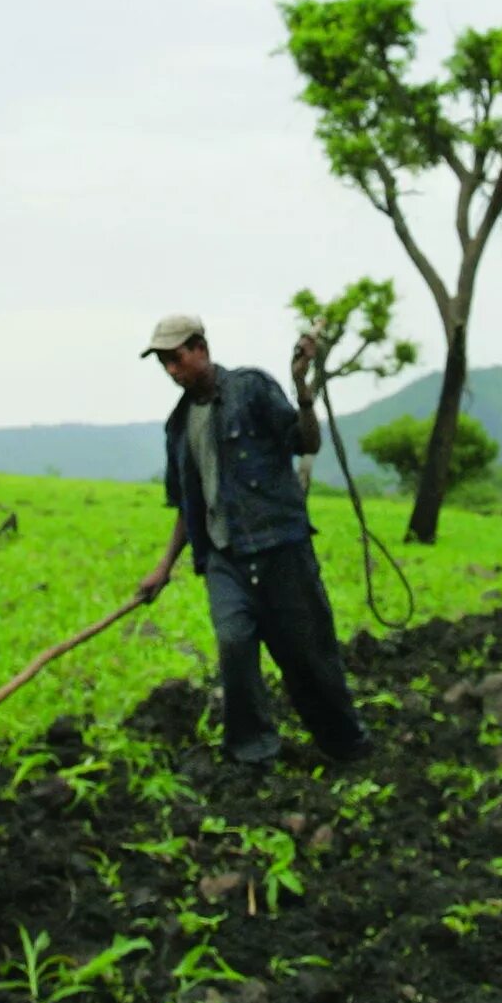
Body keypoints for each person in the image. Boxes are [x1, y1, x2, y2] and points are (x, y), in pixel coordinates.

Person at [138, 312, 369, 769]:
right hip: (224, 557)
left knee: (307, 653)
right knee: (234, 644)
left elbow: (305, 443)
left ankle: (346, 745)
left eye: (177, 358)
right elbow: (188, 505)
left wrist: (303, 390)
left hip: (281, 548)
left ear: (200, 348)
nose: (171, 370)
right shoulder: (179, 426)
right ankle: (253, 754)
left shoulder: (252, 389)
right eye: (163, 362)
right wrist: (164, 567)